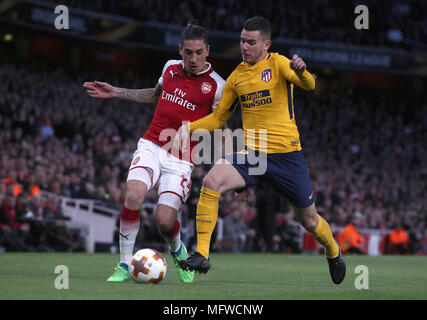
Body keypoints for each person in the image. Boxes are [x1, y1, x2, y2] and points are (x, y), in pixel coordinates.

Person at [177, 16, 346, 285]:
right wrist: (188, 128)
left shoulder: (278, 63)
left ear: (266, 44)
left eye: (251, 42)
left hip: (287, 157)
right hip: (253, 156)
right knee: (211, 180)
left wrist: (302, 71)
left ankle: (333, 251)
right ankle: (202, 254)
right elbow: (219, 118)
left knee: (310, 221)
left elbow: (309, 85)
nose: (245, 46)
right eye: (242, 40)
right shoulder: (237, 77)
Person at [83, 21, 226, 283]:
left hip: (182, 159)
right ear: (180, 49)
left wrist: (228, 166)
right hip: (151, 145)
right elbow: (154, 95)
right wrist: (117, 92)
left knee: (163, 221)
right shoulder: (170, 68)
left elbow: (220, 126)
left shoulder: (218, 86)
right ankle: (124, 265)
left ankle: (177, 249)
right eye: (187, 52)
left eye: (198, 52)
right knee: (134, 195)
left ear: (207, 50)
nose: (193, 59)